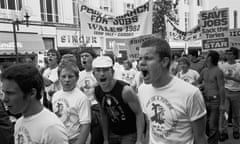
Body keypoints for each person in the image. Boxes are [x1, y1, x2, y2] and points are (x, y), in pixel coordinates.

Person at [137, 38, 207, 144]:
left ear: (164, 62)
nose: (141, 63)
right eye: (140, 58)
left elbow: (200, 138)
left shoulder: (191, 94)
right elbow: (150, 126)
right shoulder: (142, 90)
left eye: (148, 58)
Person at [1, 63, 68, 144]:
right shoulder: (19, 123)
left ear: (32, 93)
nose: (4, 99)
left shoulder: (52, 129)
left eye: (10, 93)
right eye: (3, 93)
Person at [92, 56, 144, 144]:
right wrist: (105, 139)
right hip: (113, 133)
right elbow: (103, 114)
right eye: (98, 70)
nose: (102, 74)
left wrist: (139, 140)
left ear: (112, 72)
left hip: (130, 133)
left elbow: (139, 113)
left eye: (105, 70)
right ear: (93, 74)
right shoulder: (97, 91)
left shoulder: (125, 90)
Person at [52, 61, 91, 144]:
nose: (67, 80)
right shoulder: (55, 96)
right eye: (63, 76)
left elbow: (86, 125)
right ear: (59, 78)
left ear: (77, 78)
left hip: (76, 138)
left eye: (70, 76)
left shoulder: (81, 98)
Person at [198, 50, 225, 144]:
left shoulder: (218, 71)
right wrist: (201, 86)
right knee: (205, 124)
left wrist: (222, 104)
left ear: (210, 58)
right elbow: (198, 82)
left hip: (215, 101)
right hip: (205, 100)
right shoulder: (204, 70)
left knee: (213, 125)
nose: (204, 58)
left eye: (206, 56)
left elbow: (221, 88)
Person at [77, 48, 103, 144]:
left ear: (93, 58)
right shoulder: (79, 74)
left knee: (96, 138)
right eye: (82, 56)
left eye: (87, 56)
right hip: (83, 109)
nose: (84, 58)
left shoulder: (99, 72)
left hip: (97, 109)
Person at [219, 47, 240, 140]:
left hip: (237, 92)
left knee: (236, 114)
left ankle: (236, 130)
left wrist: (231, 78)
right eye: (227, 53)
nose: (228, 55)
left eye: (230, 54)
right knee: (225, 113)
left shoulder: (239, 66)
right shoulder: (223, 66)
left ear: (234, 55)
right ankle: (224, 132)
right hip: (225, 92)